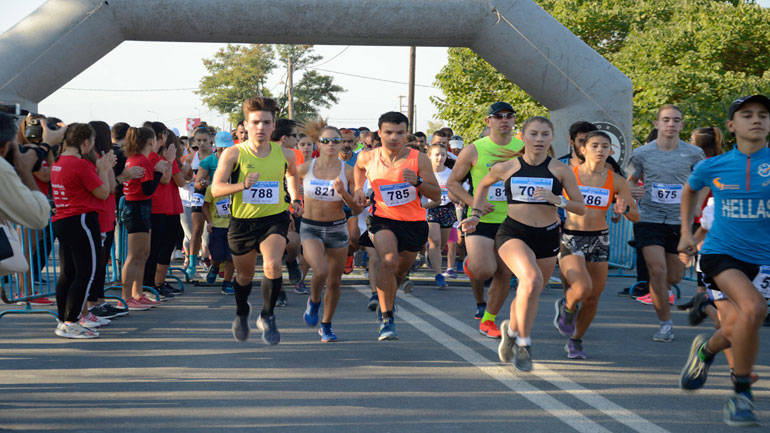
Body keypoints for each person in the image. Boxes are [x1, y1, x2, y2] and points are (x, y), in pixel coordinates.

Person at [461, 116, 585, 371]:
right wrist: (474, 214)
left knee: (530, 291)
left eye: (544, 135)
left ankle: (512, 330)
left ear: (552, 138)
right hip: (513, 232)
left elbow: (580, 207)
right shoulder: (507, 167)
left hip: (548, 235)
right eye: (533, 134)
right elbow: (482, 186)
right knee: (530, 279)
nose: (538, 139)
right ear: (523, 137)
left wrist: (557, 199)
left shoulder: (560, 170)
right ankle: (524, 344)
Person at [678, 95, 770, 427]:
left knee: (734, 328)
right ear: (732, 126)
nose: (757, 120)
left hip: (765, 260)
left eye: (763, 115)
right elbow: (690, 190)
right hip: (721, 253)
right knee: (754, 308)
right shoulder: (713, 166)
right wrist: (686, 234)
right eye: (747, 115)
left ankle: (705, 352)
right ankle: (741, 394)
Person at [212, 96, 302, 346]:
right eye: (255, 122)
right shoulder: (233, 154)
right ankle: (242, 313)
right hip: (242, 223)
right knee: (244, 276)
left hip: (274, 219)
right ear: (246, 125)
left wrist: (295, 198)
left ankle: (268, 315)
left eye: (266, 122)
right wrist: (242, 184)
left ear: (274, 126)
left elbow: (292, 176)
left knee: (273, 265)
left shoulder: (286, 154)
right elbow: (216, 189)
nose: (261, 127)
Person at [354, 111, 440, 340]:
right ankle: (386, 317)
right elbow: (358, 169)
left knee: (399, 273)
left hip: (414, 223)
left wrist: (418, 182)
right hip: (382, 218)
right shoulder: (367, 157)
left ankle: (387, 300)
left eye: (400, 133)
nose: (394, 137)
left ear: (406, 134)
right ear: (379, 133)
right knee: (388, 260)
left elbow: (437, 196)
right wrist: (357, 188)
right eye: (389, 132)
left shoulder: (419, 159)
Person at [555, 131, 639, 359]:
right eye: (594, 145)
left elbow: (636, 216)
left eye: (605, 146)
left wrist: (625, 210)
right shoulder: (568, 175)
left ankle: (575, 340)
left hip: (600, 239)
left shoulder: (616, 181)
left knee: (593, 297)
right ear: (583, 150)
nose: (600, 150)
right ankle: (567, 308)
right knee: (582, 287)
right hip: (572, 236)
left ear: (611, 151)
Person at [626, 104, 706, 341]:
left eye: (676, 120)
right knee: (657, 271)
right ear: (657, 124)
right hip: (648, 219)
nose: (671, 124)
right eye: (666, 119)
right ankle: (665, 324)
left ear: (682, 125)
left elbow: (706, 182)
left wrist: (697, 206)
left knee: (674, 277)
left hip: (678, 222)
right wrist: (633, 194)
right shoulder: (642, 153)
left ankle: (662, 293)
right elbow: (628, 182)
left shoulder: (694, 154)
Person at [447, 102, 523, 337]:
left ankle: (488, 320)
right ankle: (472, 264)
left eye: (509, 116)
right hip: (481, 219)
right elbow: (452, 184)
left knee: (504, 274)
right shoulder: (474, 149)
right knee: (483, 270)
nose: (505, 120)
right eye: (498, 116)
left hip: (512, 221)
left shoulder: (523, 148)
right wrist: (474, 203)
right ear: (488, 121)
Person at [50, 123, 116, 338]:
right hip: (82, 220)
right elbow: (103, 193)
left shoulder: (58, 162)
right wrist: (104, 170)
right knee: (86, 272)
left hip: (63, 218)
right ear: (85, 142)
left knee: (68, 273)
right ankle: (71, 321)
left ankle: (63, 319)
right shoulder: (80, 165)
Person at [297, 126, 362, 342]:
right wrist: (293, 202)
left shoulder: (348, 171)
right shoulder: (306, 168)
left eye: (336, 140)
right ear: (319, 144)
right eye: (326, 141)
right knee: (321, 269)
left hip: (337, 227)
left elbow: (356, 209)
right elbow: (287, 183)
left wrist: (343, 192)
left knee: (334, 282)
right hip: (310, 226)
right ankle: (314, 301)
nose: (331, 145)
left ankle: (326, 325)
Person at [120, 126, 170, 311]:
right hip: (136, 208)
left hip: (141, 207)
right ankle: (125, 297)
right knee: (134, 256)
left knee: (143, 254)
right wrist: (158, 171)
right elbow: (148, 188)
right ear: (151, 141)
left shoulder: (138, 159)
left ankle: (137, 293)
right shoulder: (141, 160)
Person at [142, 121, 181, 300]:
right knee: (155, 249)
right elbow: (166, 180)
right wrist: (170, 160)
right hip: (156, 207)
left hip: (165, 206)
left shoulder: (158, 157)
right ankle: (151, 285)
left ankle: (156, 284)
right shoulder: (153, 157)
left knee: (162, 245)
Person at [0, 112, 53, 235]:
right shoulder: (24, 155)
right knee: (30, 251)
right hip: (29, 203)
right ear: (5, 147)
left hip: (34, 201)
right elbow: (46, 175)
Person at [271, 118, 304, 302]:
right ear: (284, 137)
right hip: (268, 211)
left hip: (291, 206)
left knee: (292, 245)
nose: (297, 139)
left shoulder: (294, 154)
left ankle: (292, 263)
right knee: (274, 255)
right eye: (295, 136)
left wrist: (297, 199)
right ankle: (279, 291)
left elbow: (296, 178)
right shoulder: (263, 153)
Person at [423, 143, 455, 289]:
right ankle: (438, 274)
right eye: (437, 154)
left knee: (441, 244)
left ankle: (432, 253)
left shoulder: (451, 173)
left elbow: (458, 191)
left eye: (443, 154)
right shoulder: (425, 173)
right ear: (429, 156)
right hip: (430, 209)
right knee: (435, 241)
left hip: (447, 209)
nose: (440, 158)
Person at [185, 126, 214, 280]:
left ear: (211, 141)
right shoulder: (192, 157)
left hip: (216, 194)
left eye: (205, 140)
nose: (202, 144)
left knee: (216, 229)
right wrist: (195, 180)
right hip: (198, 193)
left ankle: (216, 264)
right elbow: (186, 177)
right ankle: (192, 264)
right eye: (198, 141)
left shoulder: (217, 156)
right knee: (196, 230)